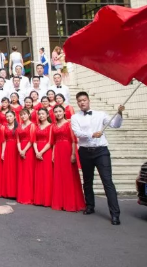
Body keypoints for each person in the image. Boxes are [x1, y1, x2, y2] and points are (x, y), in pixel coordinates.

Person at [70, 92, 124, 225]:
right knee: (87, 180)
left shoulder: (101, 115)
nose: (82, 102)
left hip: (101, 151)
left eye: (84, 100)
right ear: (77, 103)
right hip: (85, 151)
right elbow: (77, 133)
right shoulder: (75, 117)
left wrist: (119, 113)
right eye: (79, 101)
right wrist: (92, 134)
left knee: (107, 182)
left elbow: (115, 125)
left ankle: (115, 214)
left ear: (89, 100)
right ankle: (90, 206)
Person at [51, 105, 85, 212]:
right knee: (59, 176)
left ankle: (71, 203)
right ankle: (61, 202)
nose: (58, 113)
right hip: (58, 151)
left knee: (69, 176)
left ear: (64, 112)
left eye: (60, 111)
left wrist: (73, 154)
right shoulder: (54, 126)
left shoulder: (69, 124)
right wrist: (53, 154)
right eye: (56, 112)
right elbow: (53, 142)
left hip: (68, 150)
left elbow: (74, 140)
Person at [33, 108, 53, 207]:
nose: (41, 116)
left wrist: (41, 152)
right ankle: (39, 199)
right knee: (39, 175)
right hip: (37, 152)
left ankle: (47, 199)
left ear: (47, 115)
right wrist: (37, 151)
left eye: (43, 114)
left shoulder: (51, 126)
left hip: (46, 151)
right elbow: (34, 140)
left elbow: (50, 142)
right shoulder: (37, 126)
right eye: (39, 114)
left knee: (47, 174)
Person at [16, 108, 36, 204]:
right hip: (20, 150)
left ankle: (29, 197)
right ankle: (22, 196)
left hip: (29, 150)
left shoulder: (32, 125)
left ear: (29, 115)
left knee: (28, 172)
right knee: (21, 173)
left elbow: (32, 140)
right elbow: (18, 140)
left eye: (25, 114)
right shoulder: (19, 126)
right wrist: (20, 150)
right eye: (21, 115)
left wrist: (24, 150)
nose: (23, 116)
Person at [2, 111, 19, 199]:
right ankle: (8, 192)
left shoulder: (18, 127)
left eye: (10, 116)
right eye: (7, 116)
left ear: (14, 117)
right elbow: (4, 140)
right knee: (8, 170)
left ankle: (15, 192)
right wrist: (2, 152)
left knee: (15, 169)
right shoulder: (4, 127)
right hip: (8, 148)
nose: (8, 118)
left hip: (16, 148)